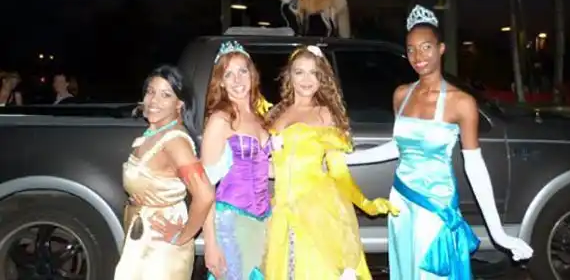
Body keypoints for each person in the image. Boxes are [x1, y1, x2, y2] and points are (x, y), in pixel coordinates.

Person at [347, 5, 533, 279]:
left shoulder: (461, 102)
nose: (418, 57)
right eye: (411, 49)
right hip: (400, 203)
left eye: (426, 47)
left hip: (434, 207)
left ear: (441, 48)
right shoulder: (401, 95)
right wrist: (347, 158)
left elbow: (474, 166)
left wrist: (498, 233)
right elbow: (400, 147)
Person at [263, 45, 398, 280]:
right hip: (282, 210)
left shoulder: (324, 114)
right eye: (299, 72)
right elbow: (274, 168)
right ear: (289, 75)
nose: (306, 80)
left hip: (316, 209)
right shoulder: (276, 113)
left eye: (314, 73)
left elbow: (339, 172)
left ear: (322, 79)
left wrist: (367, 204)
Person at [114, 65, 214, 280]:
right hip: (143, 238)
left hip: (160, 248)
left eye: (165, 95)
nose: (153, 101)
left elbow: (205, 194)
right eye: (150, 92)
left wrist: (183, 236)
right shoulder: (155, 132)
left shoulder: (175, 142)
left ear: (179, 104)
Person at [201, 40, 273, 280]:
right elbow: (204, 187)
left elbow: (265, 168)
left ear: (252, 75)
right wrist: (211, 244)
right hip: (231, 223)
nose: (237, 80)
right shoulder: (220, 120)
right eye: (228, 74)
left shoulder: (261, 117)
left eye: (242, 71)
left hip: (264, 221)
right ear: (221, 81)